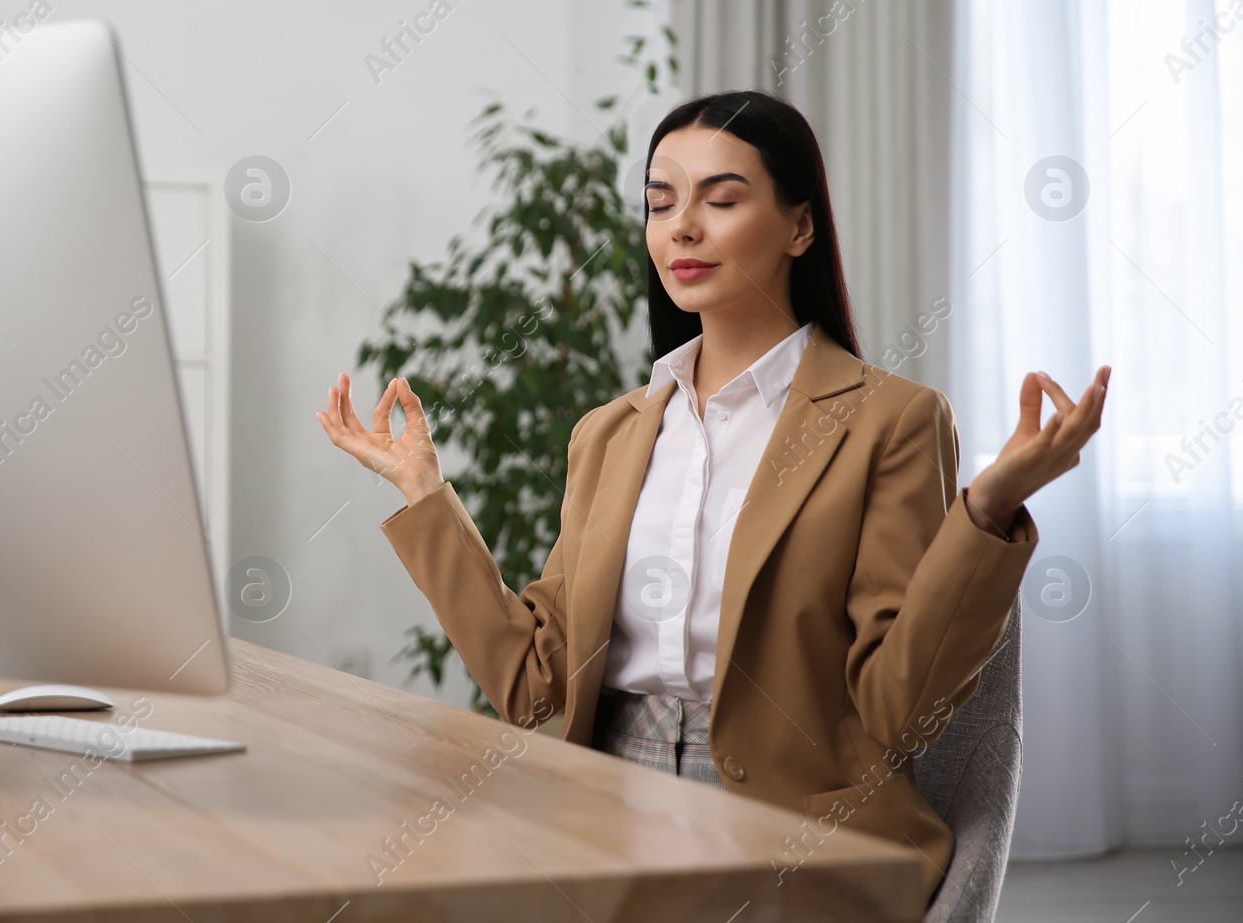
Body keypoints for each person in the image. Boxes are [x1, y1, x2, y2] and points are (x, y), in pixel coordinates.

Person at [316, 90, 1108, 898]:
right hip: (601, 812)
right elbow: (532, 685)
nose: (682, 226)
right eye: (661, 203)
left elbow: (900, 709)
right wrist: (424, 491)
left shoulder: (892, 421)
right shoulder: (609, 434)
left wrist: (989, 508)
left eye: (721, 199)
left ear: (801, 226)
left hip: (797, 837)